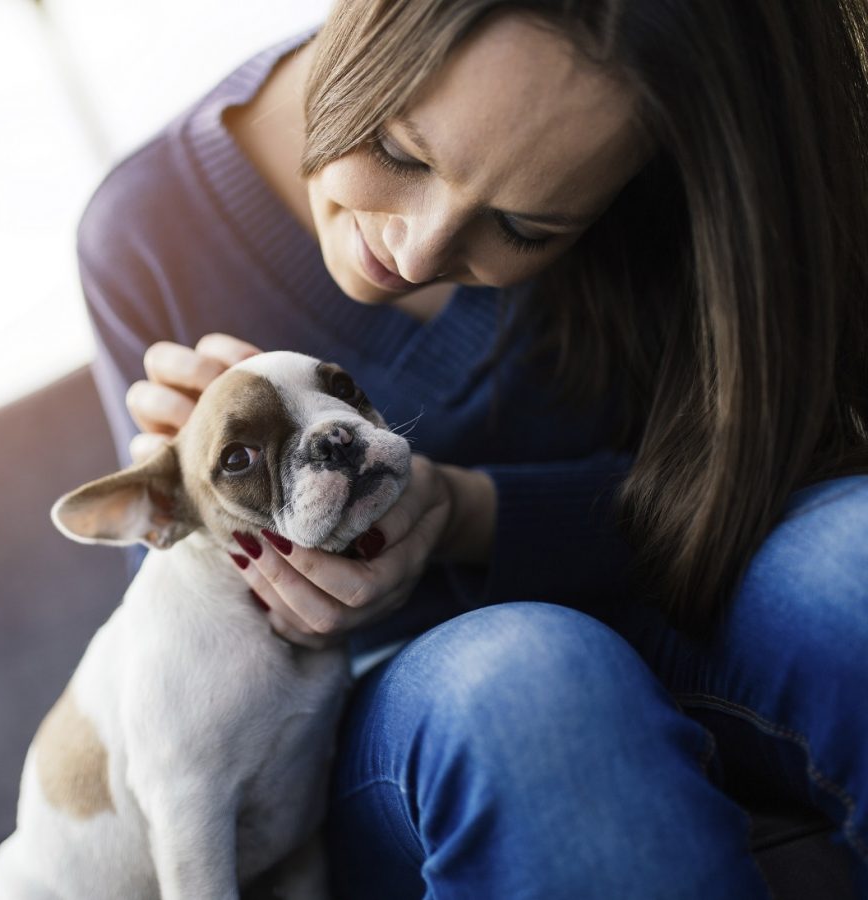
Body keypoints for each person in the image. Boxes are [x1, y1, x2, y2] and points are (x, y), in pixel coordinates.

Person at [75, 1, 868, 896]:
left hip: (704, 577)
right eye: (398, 154)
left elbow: (771, 468)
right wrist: (203, 512)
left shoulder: (679, 146)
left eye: (527, 228)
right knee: (529, 682)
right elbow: (174, 671)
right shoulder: (151, 227)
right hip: (405, 711)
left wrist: (471, 514)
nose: (416, 252)